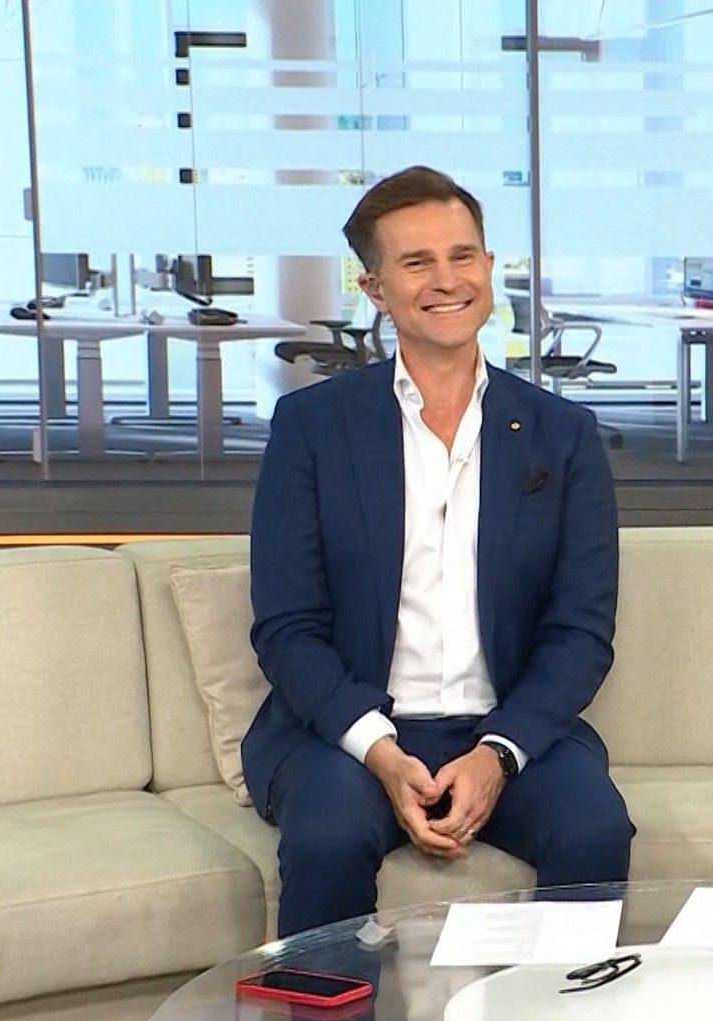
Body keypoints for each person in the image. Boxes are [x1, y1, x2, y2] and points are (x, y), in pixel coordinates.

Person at [243, 164, 634, 940]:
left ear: (488, 267)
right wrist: (381, 753)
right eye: (416, 262)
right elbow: (287, 628)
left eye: (462, 256)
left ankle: (551, 1019)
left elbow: (581, 631)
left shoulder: (562, 435)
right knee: (328, 839)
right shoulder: (312, 428)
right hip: (348, 735)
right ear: (375, 289)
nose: (447, 280)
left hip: (508, 725)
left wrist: (497, 754)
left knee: (594, 829)